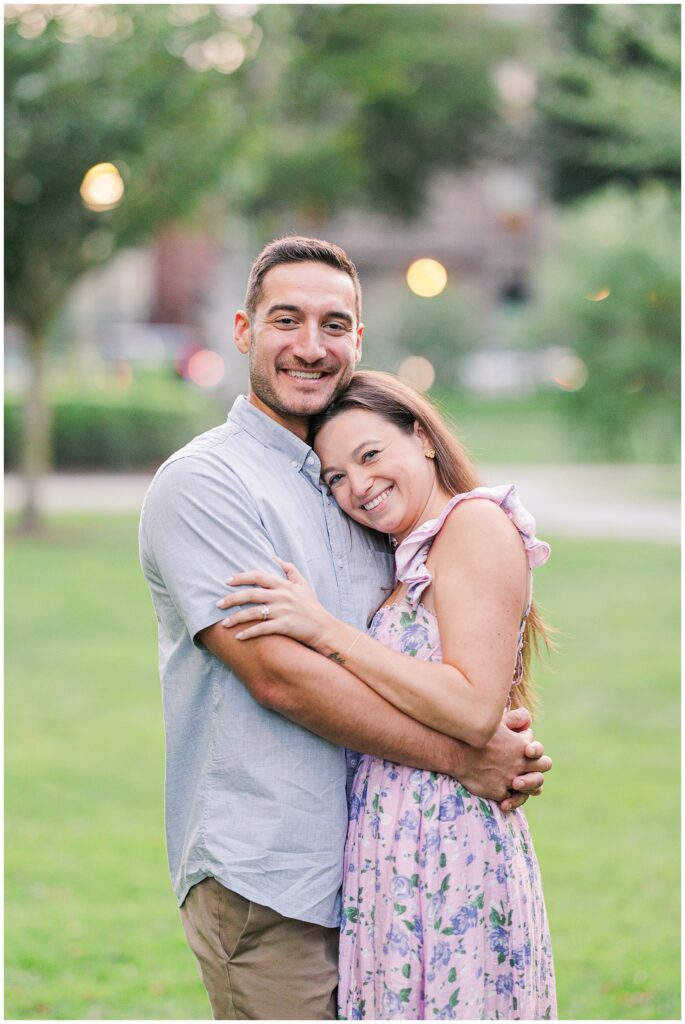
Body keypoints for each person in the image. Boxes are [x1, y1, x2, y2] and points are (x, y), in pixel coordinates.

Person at [139, 236, 552, 1020]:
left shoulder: (356, 497)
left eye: (334, 324)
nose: (309, 345)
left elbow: (437, 649)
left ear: (358, 340)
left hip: (386, 874)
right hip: (272, 877)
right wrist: (468, 758)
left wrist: (483, 735)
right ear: (242, 329)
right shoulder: (204, 485)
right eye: (285, 319)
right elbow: (279, 676)